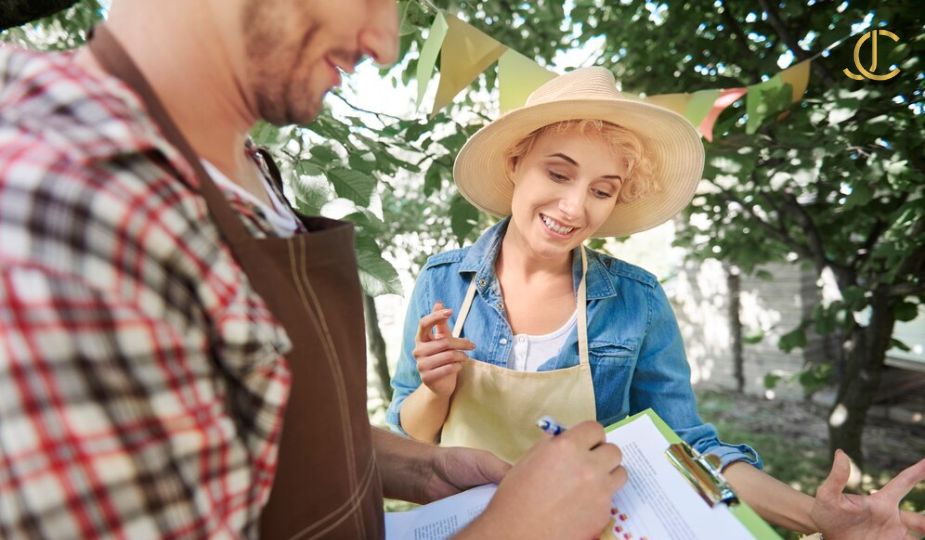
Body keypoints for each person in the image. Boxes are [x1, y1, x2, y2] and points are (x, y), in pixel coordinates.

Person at [0, 1, 627, 538]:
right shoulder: (67, 207)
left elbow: (261, 429)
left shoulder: (238, 169)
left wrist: (418, 467)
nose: (384, 43)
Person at [387, 66, 925, 538]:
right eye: (558, 173)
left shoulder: (635, 300)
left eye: (603, 190)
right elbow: (410, 438)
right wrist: (436, 391)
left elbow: (686, 447)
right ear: (514, 161)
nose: (574, 207)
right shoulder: (443, 281)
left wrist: (815, 515)